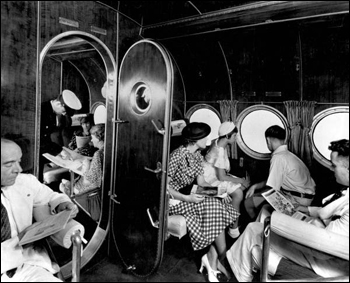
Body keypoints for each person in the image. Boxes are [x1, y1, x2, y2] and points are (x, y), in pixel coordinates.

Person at [226, 139, 349, 281]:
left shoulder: (279, 158)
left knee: (254, 228)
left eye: (334, 166)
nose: (331, 169)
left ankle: (238, 275)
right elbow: (327, 211)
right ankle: (242, 272)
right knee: (259, 223)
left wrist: (281, 224)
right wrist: (305, 210)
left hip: (324, 261)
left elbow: (326, 247)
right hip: (317, 232)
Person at [167, 122, 239, 282]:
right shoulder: (177, 155)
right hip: (175, 199)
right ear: (195, 139)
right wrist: (187, 198)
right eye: (204, 137)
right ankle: (216, 258)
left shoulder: (197, 155)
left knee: (219, 203)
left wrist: (219, 192)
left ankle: (214, 258)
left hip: (192, 193)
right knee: (214, 207)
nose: (207, 139)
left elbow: (202, 183)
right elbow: (165, 187)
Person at [1, 138, 79, 282]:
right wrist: (19, 239)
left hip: (28, 265)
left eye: (19, 161)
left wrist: (61, 203)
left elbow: (51, 197)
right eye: (9, 164)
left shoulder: (24, 181)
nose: (19, 169)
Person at [244, 125, 316, 220]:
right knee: (259, 201)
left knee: (248, 203)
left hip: (296, 200)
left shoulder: (278, 157)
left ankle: (259, 228)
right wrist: (255, 186)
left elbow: (272, 189)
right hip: (305, 197)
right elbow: (273, 179)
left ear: (268, 140)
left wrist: (256, 194)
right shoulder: (288, 155)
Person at [203, 121, 250, 239]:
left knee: (242, 186)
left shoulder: (218, 142)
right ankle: (233, 230)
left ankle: (231, 219)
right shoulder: (219, 151)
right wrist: (240, 180)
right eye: (234, 136)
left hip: (214, 174)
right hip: (210, 179)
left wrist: (240, 181)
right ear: (227, 136)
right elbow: (221, 177)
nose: (236, 138)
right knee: (239, 193)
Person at [39, 90, 82, 182]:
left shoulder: (50, 111)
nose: (63, 114)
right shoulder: (41, 110)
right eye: (64, 111)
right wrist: (59, 151)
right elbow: (41, 139)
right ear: (59, 103)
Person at [60, 124, 105, 195]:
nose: (92, 140)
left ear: (98, 138)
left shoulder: (98, 154)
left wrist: (86, 168)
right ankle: (69, 185)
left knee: (62, 186)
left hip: (90, 190)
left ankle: (70, 189)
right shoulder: (105, 150)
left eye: (93, 137)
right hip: (98, 185)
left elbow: (89, 181)